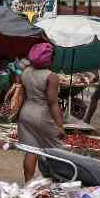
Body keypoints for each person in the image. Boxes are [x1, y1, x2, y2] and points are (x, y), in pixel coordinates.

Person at [18, 43, 65, 182]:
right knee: (56, 151)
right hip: (43, 114)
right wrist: (60, 125)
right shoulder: (51, 77)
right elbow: (52, 103)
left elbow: (24, 94)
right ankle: (56, 182)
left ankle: (28, 183)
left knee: (31, 150)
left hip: (26, 112)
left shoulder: (26, 72)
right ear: (50, 59)